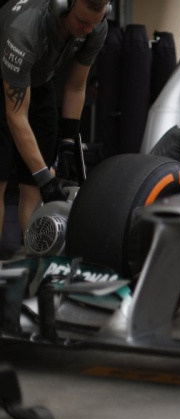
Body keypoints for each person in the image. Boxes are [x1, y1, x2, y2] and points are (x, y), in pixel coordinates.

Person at [0, 0, 110, 246]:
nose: (88, 30)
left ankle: (36, 256)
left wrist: (68, 144)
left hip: (39, 80)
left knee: (33, 187)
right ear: (62, 6)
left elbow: (76, 86)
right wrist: (46, 178)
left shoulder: (96, 27)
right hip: (5, 78)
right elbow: (16, 116)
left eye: (93, 23)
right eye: (81, 21)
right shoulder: (24, 30)